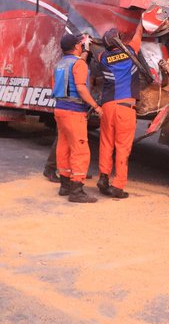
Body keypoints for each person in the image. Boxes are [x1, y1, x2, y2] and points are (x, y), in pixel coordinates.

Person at [52, 33, 103, 203]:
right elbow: (81, 88)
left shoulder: (60, 64)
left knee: (64, 146)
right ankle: (77, 190)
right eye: (80, 44)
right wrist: (95, 106)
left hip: (60, 109)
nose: (81, 46)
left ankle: (65, 185)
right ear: (75, 47)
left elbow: (73, 66)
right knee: (80, 149)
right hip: (74, 112)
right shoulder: (79, 64)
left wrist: (86, 51)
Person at [97, 21, 143, 199]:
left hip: (107, 106)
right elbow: (139, 32)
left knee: (106, 143)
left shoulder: (102, 58)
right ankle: (117, 186)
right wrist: (141, 19)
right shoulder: (131, 52)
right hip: (125, 107)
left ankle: (103, 178)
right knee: (122, 147)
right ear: (120, 41)